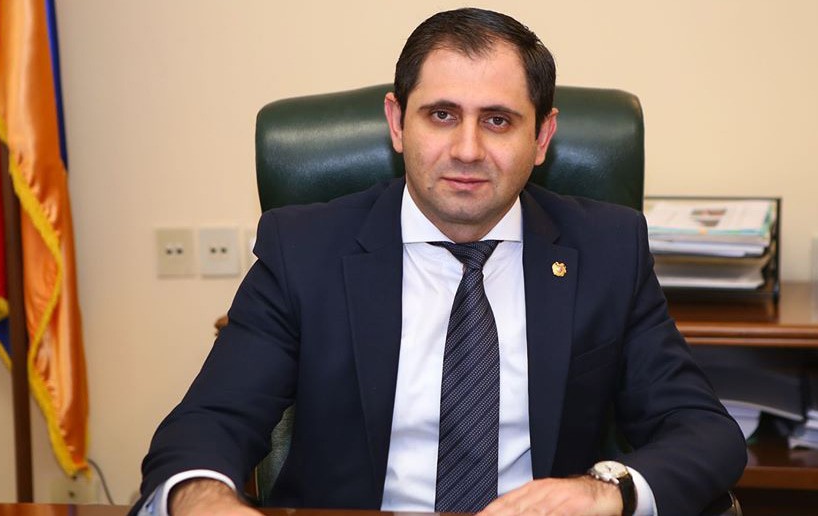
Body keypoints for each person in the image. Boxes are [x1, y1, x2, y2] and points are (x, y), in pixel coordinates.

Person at [133, 8, 746, 516]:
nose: (467, 149)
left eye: (498, 120)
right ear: (398, 122)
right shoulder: (303, 249)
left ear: (541, 137)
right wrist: (204, 499)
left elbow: (704, 430)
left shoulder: (608, 249)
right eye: (442, 115)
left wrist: (604, 492)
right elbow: (210, 420)